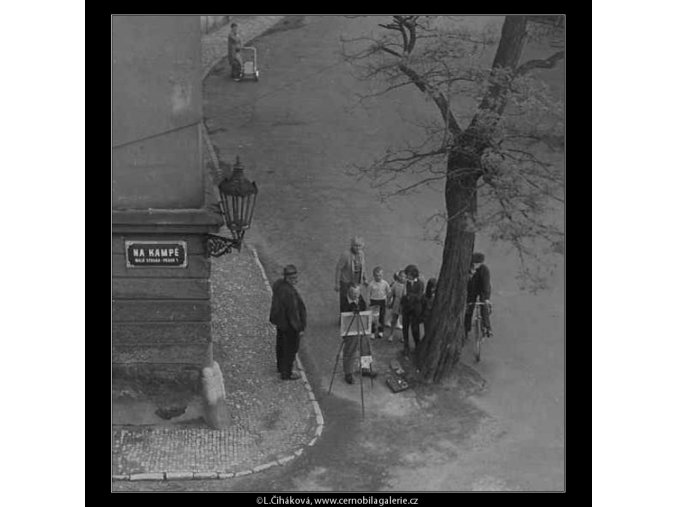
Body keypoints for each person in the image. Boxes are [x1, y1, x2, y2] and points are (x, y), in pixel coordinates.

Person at [269, 264, 307, 380]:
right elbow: (293, 312)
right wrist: (299, 328)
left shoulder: (278, 285)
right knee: (290, 349)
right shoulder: (289, 293)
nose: (295, 281)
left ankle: (281, 367)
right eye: (294, 278)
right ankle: (287, 373)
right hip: (290, 325)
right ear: (288, 278)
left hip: (281, 322)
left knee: (280, 345)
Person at [341, 284, 377, 384]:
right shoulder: (344, 301)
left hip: (362, 327)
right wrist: (353, 309)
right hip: (351, 329)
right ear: (349, 292)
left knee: (365, 348)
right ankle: (348, 373)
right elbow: (345, 313)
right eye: (353, 293)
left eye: (358, 293)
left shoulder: (359, 298)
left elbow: (364, 307)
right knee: (350, 350)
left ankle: (365, 368)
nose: (356, 296)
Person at [334, 236, 367, 314]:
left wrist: (365, 278)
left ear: (362, 245)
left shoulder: (361, 254)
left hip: (356, 282)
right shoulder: (346, 255)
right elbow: (339, 269)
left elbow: (363, 266)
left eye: (359, 245)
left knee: (356, 299)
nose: (357, 247)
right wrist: (337, 283)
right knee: (344, 301)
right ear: (352, 245)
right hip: (346, 282)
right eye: (355, 245)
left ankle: (354, 317)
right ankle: (343, 319)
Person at [464, 252, 492, 339]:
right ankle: (466, 329)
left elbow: (486, 285)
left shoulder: (485, 270)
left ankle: (487, 327)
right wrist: (470, 276)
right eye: (474, 263)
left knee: (484, 306)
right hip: (472, 289)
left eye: (477, 264)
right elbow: (467, 284)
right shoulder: (469, 269)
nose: (475, 265)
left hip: (483, 289)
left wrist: (486, 298)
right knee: (469, 308)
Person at [401, 264, 425, 356]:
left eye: (409, 274)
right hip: (406, 308)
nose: (407, 276)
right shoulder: (406, 283)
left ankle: (417, 346)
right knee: (405, 327)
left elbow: (419, 297)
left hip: (415, 309)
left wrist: (409, 296)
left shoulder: (420, 283)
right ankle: (406, 346)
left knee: (415, 329)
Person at [366, 266, 391, 339]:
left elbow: (388, 292)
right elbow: (368, 293)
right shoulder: (371, 284)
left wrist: (389, 300)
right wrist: (368, 302)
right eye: (376, 275)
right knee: (373, 317)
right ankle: (373, 331)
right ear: (373, 276)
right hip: (373, 301)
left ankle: (381, 331)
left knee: (382, 316)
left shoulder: (385, 283)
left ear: (382, 275)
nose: (378, 277)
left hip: (382, 301)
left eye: (380, 275)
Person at [386, 270, 406, 342]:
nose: (402, 278)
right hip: (397, 303)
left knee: (405, 321)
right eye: (401, 276)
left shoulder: (407, 285)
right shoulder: (395, 284)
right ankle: (391, 334)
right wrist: (388, 301)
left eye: (404, 276)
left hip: (404, 304)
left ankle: (404, 336)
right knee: (394, 319)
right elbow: (390, 294)